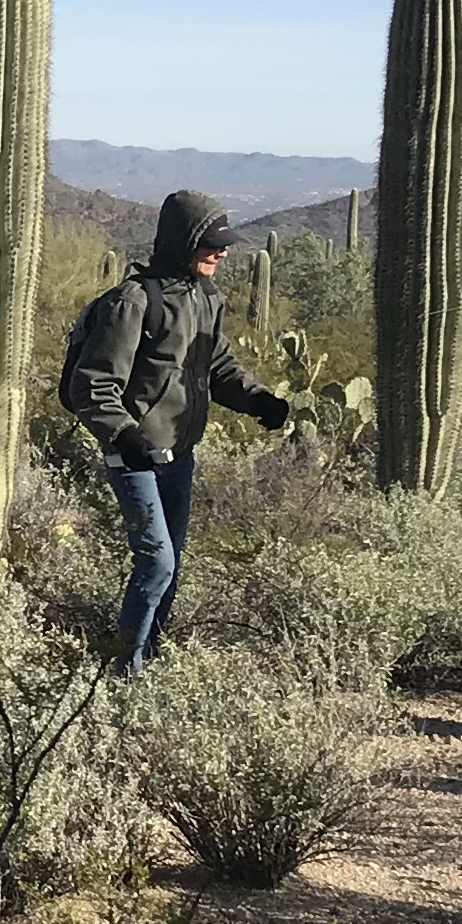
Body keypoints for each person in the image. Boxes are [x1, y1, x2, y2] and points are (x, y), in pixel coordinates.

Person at [60, 190, 295, 673]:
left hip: (179, 454)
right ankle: (124, 668)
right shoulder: (133, 302)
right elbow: (94, 384)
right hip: (134, 457)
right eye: (212, 242)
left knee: (172, 565)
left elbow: (217, 366)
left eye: (224, 243)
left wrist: (257, 401)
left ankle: (149, 657)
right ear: (183, 241)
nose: (222, 251)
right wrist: (126, 436)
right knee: (157, 562)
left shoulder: (205, 298)